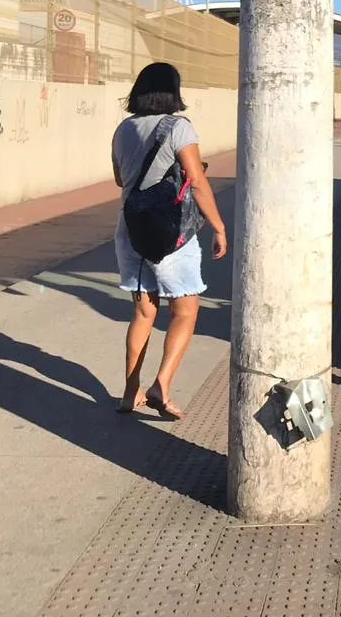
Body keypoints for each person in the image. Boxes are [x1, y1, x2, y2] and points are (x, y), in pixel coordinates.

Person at [111, 62, 227, 419]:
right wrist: (219, 226)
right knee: (185, 310)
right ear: (173, 91)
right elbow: (197, 182)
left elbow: (120, 179)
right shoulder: (179, 128)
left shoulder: (123, 129)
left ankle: (131, 392)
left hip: (132, 228)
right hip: (172, 233)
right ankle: (161, 384)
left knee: (144, 311)